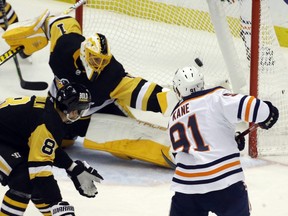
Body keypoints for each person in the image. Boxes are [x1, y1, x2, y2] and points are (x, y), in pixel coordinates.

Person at [2, 10, 178, 167]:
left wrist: (173, 102)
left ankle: (175, 150)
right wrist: (36, 31)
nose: (99, 65)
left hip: (95, 114)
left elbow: (140, 91)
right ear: (84, 52)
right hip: (59, 110)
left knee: (124, 149)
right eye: (95, 60)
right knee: (49, 142)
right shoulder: (65, 47)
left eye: (102, 61)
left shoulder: (111, 75)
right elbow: (59, 21)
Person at [168, 66, 279, 216]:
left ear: (178, 90)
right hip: (225, 184)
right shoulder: (216, 97)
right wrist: (268, 113)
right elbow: (258, 110)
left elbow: (180, 155)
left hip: (187, 190)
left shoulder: (173, 118)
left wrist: (228, 140)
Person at [0, 83, 103, 215]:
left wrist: (72, 167)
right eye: (80, 110)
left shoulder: (50, 113)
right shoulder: (48, 122)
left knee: (33, 181)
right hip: (5, 141)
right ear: (71, 110)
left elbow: (47, 149)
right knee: (24, 179)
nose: (80, 115)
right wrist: (56, 203)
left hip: (8, 139)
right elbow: (39, 169)